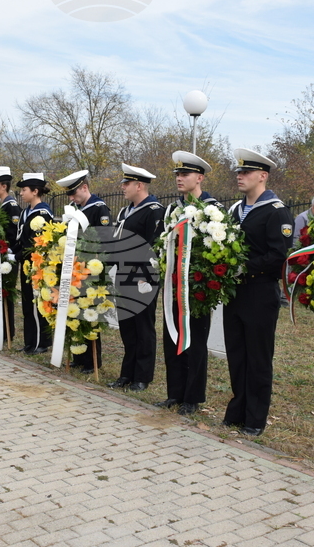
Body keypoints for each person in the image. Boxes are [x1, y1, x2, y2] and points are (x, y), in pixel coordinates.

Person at [221, 149, 292, 435]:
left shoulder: (276, 211)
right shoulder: (235, 210)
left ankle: (255, 418)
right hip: (235, 293)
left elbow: (279, 255)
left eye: (245, 172)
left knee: (259, 357)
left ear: (262, 176)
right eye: (238, 172)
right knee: (237, 353)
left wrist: (243, 268)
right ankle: (237, 410)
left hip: (260, 292)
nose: (240, 176)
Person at [155, 151, 222, 415]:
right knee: (172, 337)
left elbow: (219, 247)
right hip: (173, 285)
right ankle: (175, 393)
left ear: (200, 178)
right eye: (177, 174)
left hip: (197, 287)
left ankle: (192, 397)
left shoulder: (212, 209)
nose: (179, 179)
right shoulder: (173, 209)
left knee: (195, 341)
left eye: (185, 174)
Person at [107, 163, 164, 392]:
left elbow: (155, 247)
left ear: (139, 185)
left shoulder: (154, 211)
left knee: (143, 327)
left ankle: (142, 376)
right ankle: (127, 374)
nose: (123, 187)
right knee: (127, 327)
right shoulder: (125, 211)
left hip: (142, 277)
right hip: (123, 274)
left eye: (127, 183)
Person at [55, 169, 111, 374]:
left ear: (85, 188)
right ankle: (78, 356)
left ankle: (92, 361)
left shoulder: (99, 209)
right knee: (74, 313)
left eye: (74, 193)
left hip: (91, 269)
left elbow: (104, 239)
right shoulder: (73, 209)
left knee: (90, 314)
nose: (71, 198)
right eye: (69, 195)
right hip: (73, 268)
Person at [15, 172, 53, 353]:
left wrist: (17, 255)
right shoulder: (26, 212)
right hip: (26, 265)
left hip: (38, 265)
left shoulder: (43, 213)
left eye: (24, 190)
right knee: (28, 303)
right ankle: (30, 341)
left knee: (38, 303)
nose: (21, 193)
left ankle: (41, 342)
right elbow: (21, 239)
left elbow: (36, 243)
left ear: (35, 191)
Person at [0, 166, 21, 342]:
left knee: (5, 294)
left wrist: (7, 250)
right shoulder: (0, 205)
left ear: (4, 186)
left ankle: (7, 332)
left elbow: (14, 234)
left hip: (7, 257)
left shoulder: (11, 206)